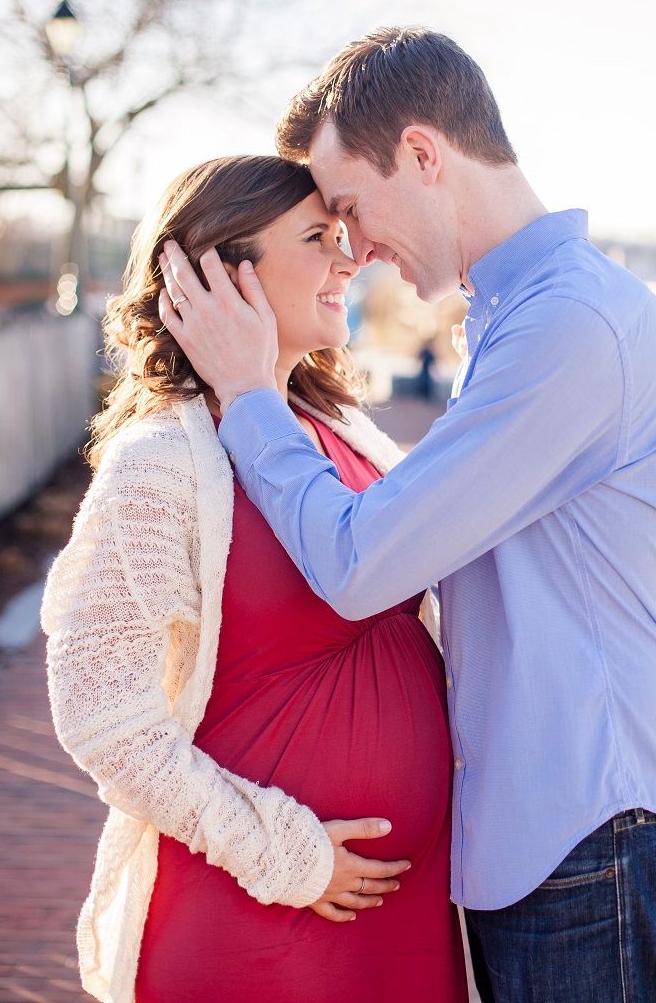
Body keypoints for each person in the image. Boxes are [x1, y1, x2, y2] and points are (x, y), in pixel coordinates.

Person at [159, 27, 656, 1002]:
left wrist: (252, 396)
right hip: (549, 836)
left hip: (594, 827)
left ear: (423, 155)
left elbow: (364, 561)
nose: (353, 247)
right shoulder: (518, 315)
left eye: (348, 208)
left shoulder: (568, 326)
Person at [41, 155, 466, 1003]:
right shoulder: (159, 465)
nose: (349, 261)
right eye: (318, 239)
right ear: (217, 275)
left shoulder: (344, 433)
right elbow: (100, 714)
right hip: (260, 924)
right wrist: (285, 854)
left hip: (401, 920)